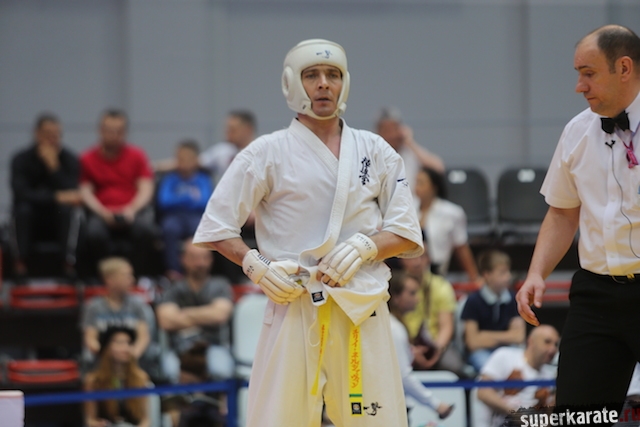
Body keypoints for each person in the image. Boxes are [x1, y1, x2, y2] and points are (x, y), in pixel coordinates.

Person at [193, 39, 424, 427]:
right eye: (311, 75)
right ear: (291, 83)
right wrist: (254, 264)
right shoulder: (265, 152)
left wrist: (366, 247)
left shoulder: (376, 150)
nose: (323, 84)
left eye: (333, 75)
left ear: (345, 83)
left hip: (360, 305)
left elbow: (405, 232)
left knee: (377, 421)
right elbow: (217, 226)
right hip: (293, 301)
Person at [515, 25, 640, 418]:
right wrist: (536, 273)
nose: (579, 86)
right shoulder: (576, 131)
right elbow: (562, 211)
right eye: (578, 74)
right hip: (596, 295)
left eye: (589, 74)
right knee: (577, 416)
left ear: (624, 68)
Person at [79, 109, 157, 277]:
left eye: (118, 131)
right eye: (109, 130)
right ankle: (106, 278)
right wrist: (102, 212)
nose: (114, 135)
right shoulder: (87, 158)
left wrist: (131, 210)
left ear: (125, 132)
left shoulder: (137, 156)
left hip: (131, 213)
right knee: (94, 234)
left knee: (146, 231)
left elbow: (146, 188)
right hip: (101, 214)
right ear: (100, 130)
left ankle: (134, 277)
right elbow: (85, 191)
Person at [10, 113, 81, 281]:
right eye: (48, 134)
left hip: (56, 217)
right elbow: (21, 193)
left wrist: (54, 167)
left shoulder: (69, 159)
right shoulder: (21, 159)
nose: (52, 139)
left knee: (69, 212)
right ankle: (20, 264)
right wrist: (55, 197)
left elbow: (72, 193)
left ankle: (67, 264)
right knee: (22, 210)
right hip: (31, 216)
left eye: (56, 135)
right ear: (37, 134)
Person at [156, 239, 234, 384]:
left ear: (211, 260)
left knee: (221, 369)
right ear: (183, 259)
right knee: (170, 370)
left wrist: (182, 315)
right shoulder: (172, 287)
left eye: (204, 257)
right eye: (194, 258)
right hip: (179, 347)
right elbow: (166, 321)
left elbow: (220, 315)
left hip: (213, 345)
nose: (200, 263)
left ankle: (221, 400)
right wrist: (207, 314)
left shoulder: (220, 285)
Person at [387, 271, 454, 420]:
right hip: (391, 409)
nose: (417, 299)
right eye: (412, 293)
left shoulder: (391, 325)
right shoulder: (394, 328)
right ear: (396, 297)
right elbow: (403, 376)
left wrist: (410, 352)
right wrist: (436, 404)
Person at [399, 235, 466, 377]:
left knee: (455, 367)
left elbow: (446, 327)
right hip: (402, 344)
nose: (417, 262)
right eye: (412, 256)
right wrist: (409, 350)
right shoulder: (393, 287)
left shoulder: (441, 286)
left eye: (422, 256)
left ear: (429, 258)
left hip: (436, 345)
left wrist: (435, 351)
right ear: (402, 258)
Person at [476, 325, 558, 427]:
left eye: (556, 344)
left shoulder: (550, 377)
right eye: (547, 342)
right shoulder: (506, 356)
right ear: (531, 341)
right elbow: (483, 392)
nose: (553, 349)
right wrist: (516, 414)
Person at [157, 140, 214, 281]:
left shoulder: (203, 179)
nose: (183, 162)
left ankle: (200, 269)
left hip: (196, 216)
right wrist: (189, 197)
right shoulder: (170, 179)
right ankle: (174, 270)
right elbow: (164, 201)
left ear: (195, 160)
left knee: (201, 230)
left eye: (188, 158)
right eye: (180, 158)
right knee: (169, 229)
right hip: (174, 216)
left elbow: (205, 202)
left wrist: (179, 199)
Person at [461, 250, 525, 372]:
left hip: (507, 350)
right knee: (490, 369)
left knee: (520, 367)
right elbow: (472, 342)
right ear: (487, 275)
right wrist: (507, 336)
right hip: (481, 352)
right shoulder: (473, 301)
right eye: (502, 273)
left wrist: (484, 336)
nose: (508, 277)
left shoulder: (513, 299)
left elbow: (519, 337)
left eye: (508, 271)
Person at [415, 166, 480, 281]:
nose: (417, 187)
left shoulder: (452, 213)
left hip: (437, 272)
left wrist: (474, 277)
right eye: (416, 182)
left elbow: (461, 248)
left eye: (421, 183)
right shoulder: (407, 210)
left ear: (434, 187)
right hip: (408, 273)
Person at [82, 257, 151, 363]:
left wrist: (131, 355)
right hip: (102, 362)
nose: (132, 279)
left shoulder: (137, 305)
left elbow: (143, 337)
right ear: (109, 279)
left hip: (132, 361)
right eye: (126, 275)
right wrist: (110, 355)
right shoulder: (93, 307)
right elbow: (90, 339)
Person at [84, 326, 150, 427]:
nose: (125, 348)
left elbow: (146, 420)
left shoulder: (141, 378)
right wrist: (98, 424)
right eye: (119, 343)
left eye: (129, 343)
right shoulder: (93, 380)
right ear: (107, 347)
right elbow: (90, 420)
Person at [375, 107, 445, 188]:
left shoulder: (411, 153)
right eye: (386, 130)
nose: (391, 135)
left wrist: (410, 143)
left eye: (394, 129)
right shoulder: (373, 154)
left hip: (412, 196)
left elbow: (439, 169)